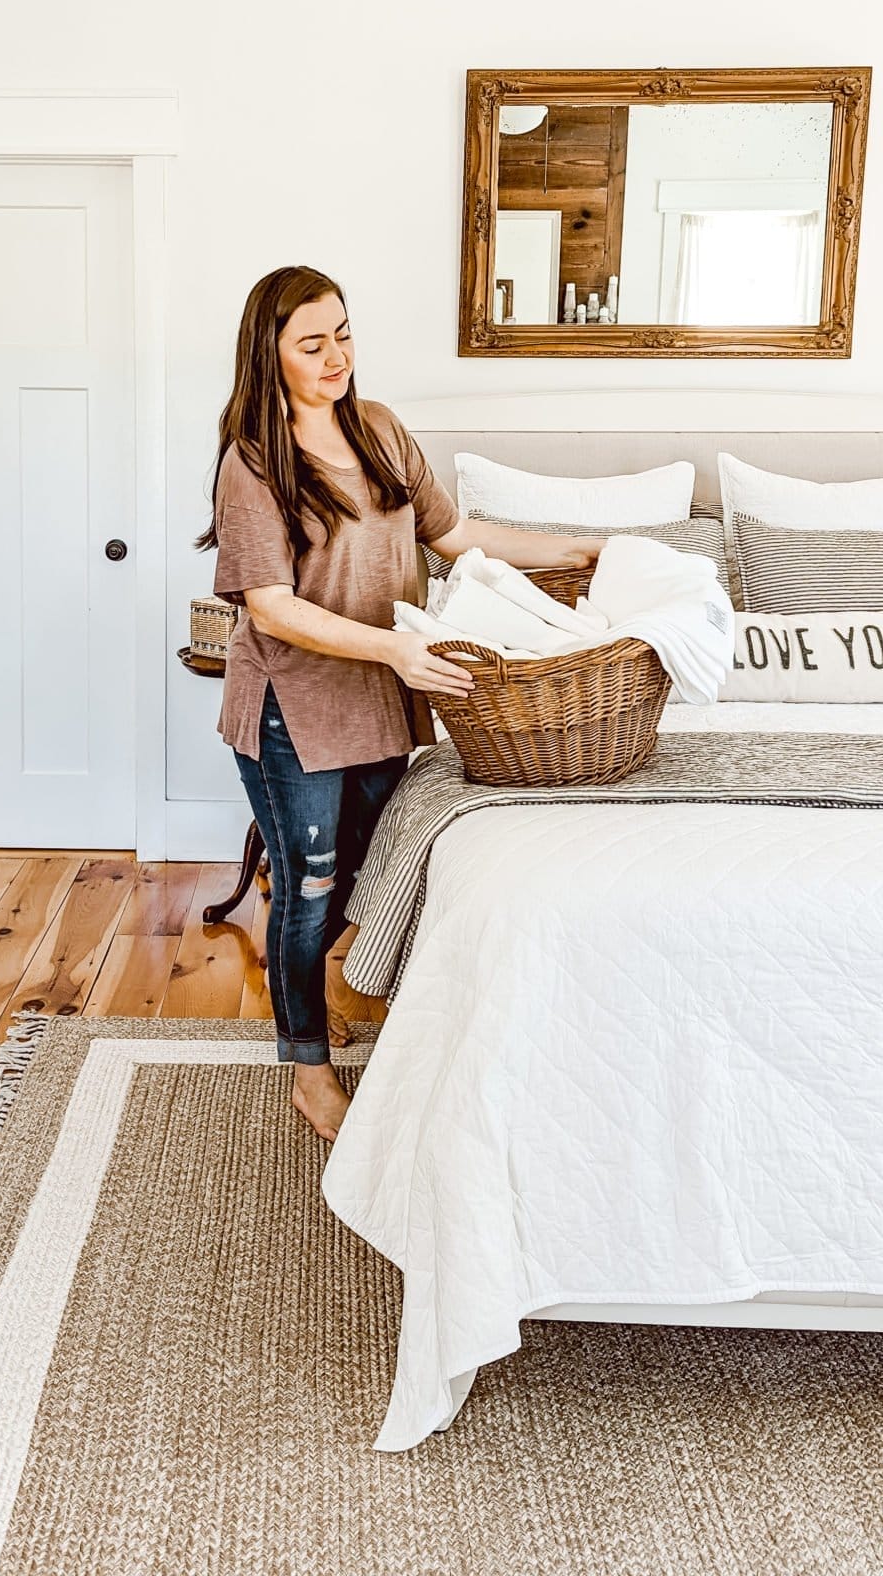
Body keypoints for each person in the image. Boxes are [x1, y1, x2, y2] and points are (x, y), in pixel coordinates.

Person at [199, 265, 601, 1142]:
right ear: (268, 355)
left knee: (366, 871)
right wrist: (396, 649)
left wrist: (575, 549)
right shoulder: (254, 464)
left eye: (343, 332)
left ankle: (307, 1000)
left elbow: (455, 538)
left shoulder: (379, 431)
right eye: (312, 342)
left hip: (382, 695)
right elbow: (270, 606)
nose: (336, 355)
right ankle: (307, 1068)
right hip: (291, 706)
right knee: (306, 887)